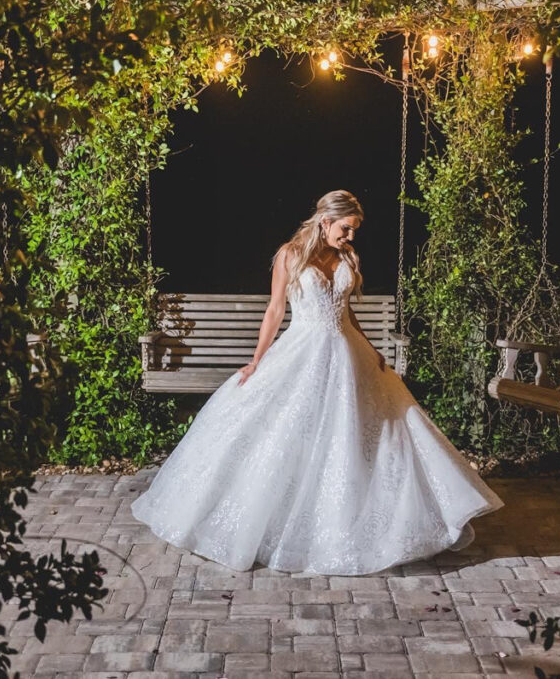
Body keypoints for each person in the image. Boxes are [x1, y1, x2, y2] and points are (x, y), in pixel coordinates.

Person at [131, 190, 503, 575]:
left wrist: (373, 350)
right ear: (325, 221)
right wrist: (257, 360)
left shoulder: (347, 257)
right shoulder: (289, 255)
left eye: (354, 230)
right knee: (289, 433)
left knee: (368, 433)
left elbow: (346, 313)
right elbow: (275, 309)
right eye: (346, 228)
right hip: (303, 351)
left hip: (348, 356)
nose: (351, 236)